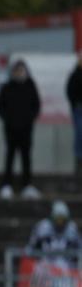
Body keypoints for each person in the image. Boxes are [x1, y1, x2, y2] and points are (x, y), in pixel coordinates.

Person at [0, 59, 41, 200]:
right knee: (10, 156)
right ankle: (6, 185)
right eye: (16, 70)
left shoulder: (30, 86)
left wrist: (29, 119)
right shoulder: (7, 87)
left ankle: (27, 185)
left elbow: (36, 105)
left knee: (26, 157)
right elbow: (0, 106)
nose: (19, 73)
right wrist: (7, 119)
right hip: (10, 129)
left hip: (26, 128)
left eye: (21, 70)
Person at [27, 200, 80, 265]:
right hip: (45, 263)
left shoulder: (72, 228)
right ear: (52, 217)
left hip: (66, 265)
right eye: (58, 219)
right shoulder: (42, 227)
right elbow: (31, 247)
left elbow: (79, 248)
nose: (60, 223)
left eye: (62, 220)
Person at [66, 50, 82, 188]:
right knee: (79, 137)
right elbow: (70, 92)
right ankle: (78, 169)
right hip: (79, 109)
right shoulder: (75, 75)